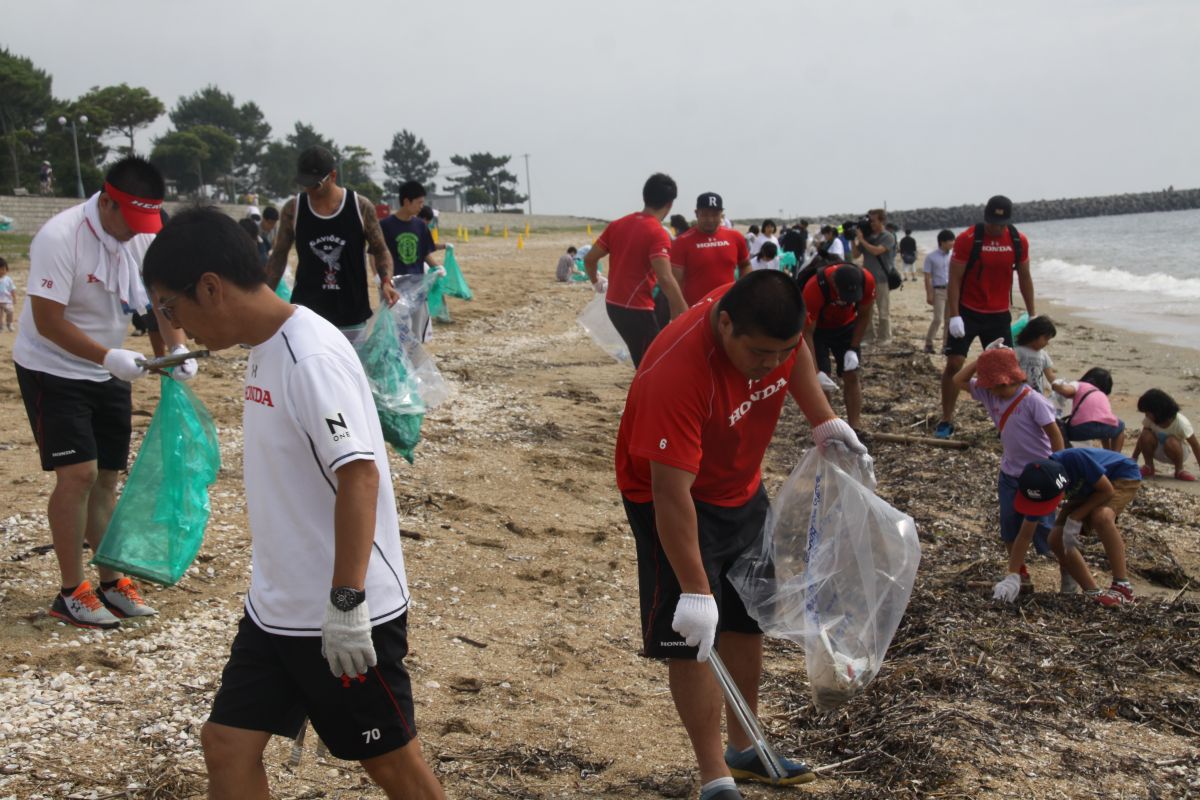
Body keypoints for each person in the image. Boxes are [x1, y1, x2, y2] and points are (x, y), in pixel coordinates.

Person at [143, 207, 444, 800]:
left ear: (210, 287)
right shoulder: (265, 341)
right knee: (226, 744)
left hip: (341, 611)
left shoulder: (310, 357)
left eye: (170, 309)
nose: (173, 326)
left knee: (394, 768)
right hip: (276, 607)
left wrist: (346, 603)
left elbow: (359, 475)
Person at [615, 270, 865, 800]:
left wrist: (822, 420)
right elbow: (670, 495)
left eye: (781, 352)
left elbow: (792, 350)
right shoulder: (676, 373)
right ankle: (715, 775)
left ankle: (746, 746)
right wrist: (694, 587)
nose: (769, 365)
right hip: (670, 497)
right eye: (758, 354)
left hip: (740, 486)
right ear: (725, 324)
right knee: (692, 637)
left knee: (746, 617)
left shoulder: (771, 333)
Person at [13, 156, 195, 629]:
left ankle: (113, 582)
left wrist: (176, 349)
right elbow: (48, 322)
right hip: (52, 366)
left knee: (109, 478)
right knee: (78, 475)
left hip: (110, 370)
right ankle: (71, 590)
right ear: (107, 201)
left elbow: (160, 303)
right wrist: (107, 357)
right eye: (129, 221)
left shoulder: (143, 236)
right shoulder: (60, 236)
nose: (136, 232)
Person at [953, 347, 1065, 593]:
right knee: (1009, 524)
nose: (988, 389)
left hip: (1039, 475)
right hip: (1010, 474)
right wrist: (981, 359)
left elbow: (1055, 435)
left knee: (1046, 533)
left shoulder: (1034, 401)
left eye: (992, 384)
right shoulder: (990, 395)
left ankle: (1068, 571)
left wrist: (1058, 468)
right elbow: (957, 380)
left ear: (1007, 380)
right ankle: (1018, 571)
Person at [265, 146, 399, 344]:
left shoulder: (360, 207)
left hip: (351, 314)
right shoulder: (293, 209)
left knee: (350, 374)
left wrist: (386, 281)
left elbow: (380, 250)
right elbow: (278, 256)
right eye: (305, 184)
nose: (309, 190)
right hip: (307, 315)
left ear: (333, 176)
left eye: (315, 185)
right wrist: (265, 296)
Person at [935, 195, 1035, 439]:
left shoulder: (1018, 240)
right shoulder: (969, 239)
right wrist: (954, 316)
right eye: (992, 222)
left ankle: (1008, 420)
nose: (996, 227)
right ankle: (946, 418)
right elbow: (955, 279)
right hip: (968, 311)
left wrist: (1033, 313)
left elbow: (1024, 277)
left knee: (1007, 372)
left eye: (1001, 223)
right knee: (954, 363)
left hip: (999, 314)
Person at [995, 450, 1141, 607]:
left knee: (1102, 517)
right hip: (1087, 489)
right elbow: (1024, 535)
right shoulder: (1038, 483)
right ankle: (1093, 593)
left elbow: (1107, 491)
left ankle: (1122, 587)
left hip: (1120, 476)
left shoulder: (1074, 460)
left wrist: (1075, 517)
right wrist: (1012, 575)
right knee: (1055, 539)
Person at [583, 173, 687, 367]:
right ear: (670, 204)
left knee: (644, 360)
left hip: (613, 305)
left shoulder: (617, 225)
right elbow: (665, 278)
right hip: (637, 309)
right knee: (653, 364)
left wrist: (596, 282)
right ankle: (644, 396)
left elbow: (590, 259)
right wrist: (684, 312)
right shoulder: (657, 233)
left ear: (645, 196)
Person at [801, 263, 874, 433]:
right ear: (834, 283)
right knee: (823, 379)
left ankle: (855, 426)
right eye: (844, 296)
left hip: (846, 326)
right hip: (818, 331)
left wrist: (854, 348)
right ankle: (828, 424)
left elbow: (864, 315)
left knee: (851, 373)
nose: (846, 300)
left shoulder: (867, 280)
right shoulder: (814, 288)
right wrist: (815, 370)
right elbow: (807, 332)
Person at [671, 192, 752, 307]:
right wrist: (680, 309)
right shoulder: (682, 242)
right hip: (695, 310)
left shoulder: (735, 237)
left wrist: (743, 291)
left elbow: (745, 265)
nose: (710, 219)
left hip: (727, 307)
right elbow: (675, 281)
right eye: (705, 214)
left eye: (715, 214)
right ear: (696, 213)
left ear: (721, 215)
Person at [1132, 389, 1200, 481]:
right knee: (1146, 434)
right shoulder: (1150, 420)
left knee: (1171, 441)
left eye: (1148, 412)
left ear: (1158, 411)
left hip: (1177, 452)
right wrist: (1134, 458)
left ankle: (1179, 470)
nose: (1146, 415)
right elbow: (1142, 439)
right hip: (1158, 449)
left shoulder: (1181, 423)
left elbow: (1195, 445)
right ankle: (1149, 466)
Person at [380, 181, 443, 278]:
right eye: (419, 202)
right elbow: (375, 253)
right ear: (406, 202)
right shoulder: (385, 225)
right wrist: (379, 276)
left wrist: (437, 268)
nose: (421, 206)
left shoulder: (421, 225)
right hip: (394, 283)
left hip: (417, 283)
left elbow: (425, 254)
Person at [1053, 367, 1125, 451]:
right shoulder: (1101, 394)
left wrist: (1055, 385)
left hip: (1081, 429)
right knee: (1120, 426)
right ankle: (1114, 456)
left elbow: (1066, 391)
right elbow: (1104, 421)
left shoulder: (1079, 384)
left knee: (1060, 431)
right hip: (1104, 427)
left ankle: (1062, 452)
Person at [852, 209, 896, 346]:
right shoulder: (867, 237)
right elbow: (855, 255)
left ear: (881, 221)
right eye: (869, 220)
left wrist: (862, 240)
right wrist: (853, 241)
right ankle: (869, 336)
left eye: (873, 220)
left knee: (883, 310)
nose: (870, 223)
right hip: (867, 279)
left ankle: (885, 337)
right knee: (866, 310)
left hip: (881, 279)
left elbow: (876, 251)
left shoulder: (888, 236)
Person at [922, 229, 954, 354]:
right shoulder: (931, 257)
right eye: (950, 241)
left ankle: (946, 345)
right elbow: (927, 277)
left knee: (949, 320)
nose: (953, 243)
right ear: (942, 242)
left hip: (951, 290)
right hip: (938, 290)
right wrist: (929, 294)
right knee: (938, 319)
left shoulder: (953, 255)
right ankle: (929, 343)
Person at [1014, 316, 1058, 395]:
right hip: (1020, 395)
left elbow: (1050, 376)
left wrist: (1060, 387)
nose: (1047, 343)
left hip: (1038, 395)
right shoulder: (1018, 351)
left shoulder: (1043, 354)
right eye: (1046, 339)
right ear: (1034, 335)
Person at [0, 257, 15, 331]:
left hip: (7, 300)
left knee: (10, 312)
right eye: (0, 269)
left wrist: (14, 298)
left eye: (3, 269)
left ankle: (9, 324)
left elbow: (12, 289)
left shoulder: (8, 279)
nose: (2, 271)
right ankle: (0, 327)